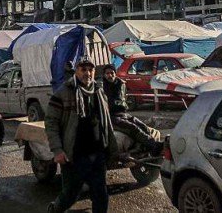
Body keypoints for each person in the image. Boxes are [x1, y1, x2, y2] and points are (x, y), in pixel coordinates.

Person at [45, 58, 118, 213]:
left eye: (90, 70)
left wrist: (111, 148)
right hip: (74, 156)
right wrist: (57, 150)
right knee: (70, 195)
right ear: (76, 71)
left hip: (97, 153)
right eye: (83, 69)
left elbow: (106, 122)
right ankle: (54, 209)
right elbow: (51, 123)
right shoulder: (63, 93)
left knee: (101, 195)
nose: (87, 73)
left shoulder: (98, 91)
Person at [102, 64, 162, 154]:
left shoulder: (120, 84)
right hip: (110, 117)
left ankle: (150, 147)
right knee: (132, 127)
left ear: (115, 73)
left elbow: (123, 101)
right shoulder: (101, 88)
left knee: (142, 126)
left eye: (112, 73)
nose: (110, 75)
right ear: (104, 75)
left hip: (122, 114)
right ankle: (153, 145)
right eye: (107, 73)